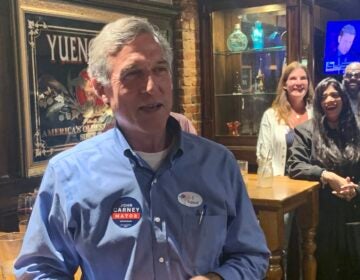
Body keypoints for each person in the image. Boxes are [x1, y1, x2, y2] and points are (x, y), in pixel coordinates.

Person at [15, 17, 269, 279]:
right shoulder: (68, 173)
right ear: (101, 90)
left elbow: (251, 255)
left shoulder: (217, 163)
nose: (151, 87)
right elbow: (39, 270)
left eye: (160, 69)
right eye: (133, 74)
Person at [288, 77, 360, 279]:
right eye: (324, 96)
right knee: (325, 270)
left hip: (355, 211)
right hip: (321, 216)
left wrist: (355, 189)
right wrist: (326, 175)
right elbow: (295, 165)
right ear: (318, 103)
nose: (330, 99)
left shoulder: (358, 128)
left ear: (343, 99)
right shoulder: (306, 131)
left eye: (335, 94)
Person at [257, 61, 314, 176]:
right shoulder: (271, 116)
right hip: (280, 185)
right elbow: (263, 155)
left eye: (303, 78)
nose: (298, 83)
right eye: (293, 78)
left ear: (308, 83)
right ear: (284, 84)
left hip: (311, 183)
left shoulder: (316, 114)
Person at [343, 61, 360, 127]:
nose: (353, 78)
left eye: (357, 75)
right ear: (343, 78)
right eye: (349, 75)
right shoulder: (338, 99)